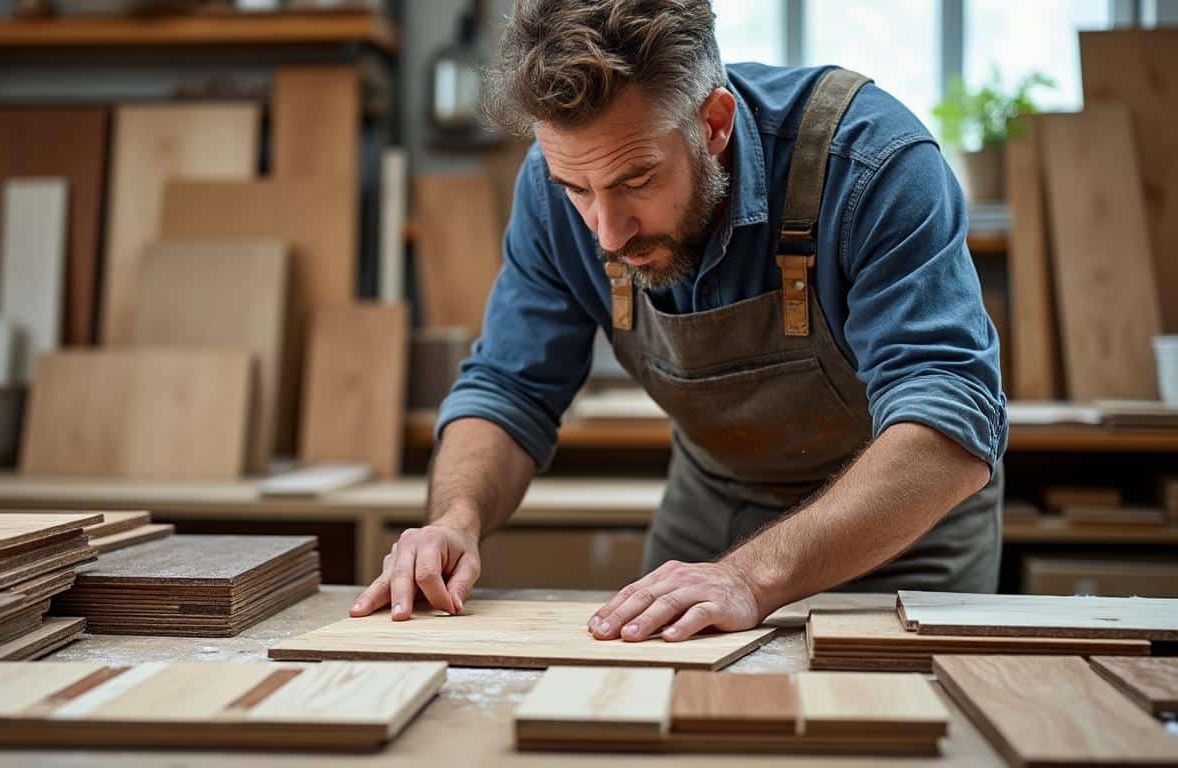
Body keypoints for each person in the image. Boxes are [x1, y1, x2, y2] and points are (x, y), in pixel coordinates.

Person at [354, 0, 1006, 643]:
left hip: (899, 534)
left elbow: (949, 416)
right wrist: (456, 518)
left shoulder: (873, 165)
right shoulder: (560, 183)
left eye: (636, 180)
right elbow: (507, 386)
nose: (607, 232)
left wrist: (752, 578)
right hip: (710, 522)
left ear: (714, 123)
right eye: (577, 190)